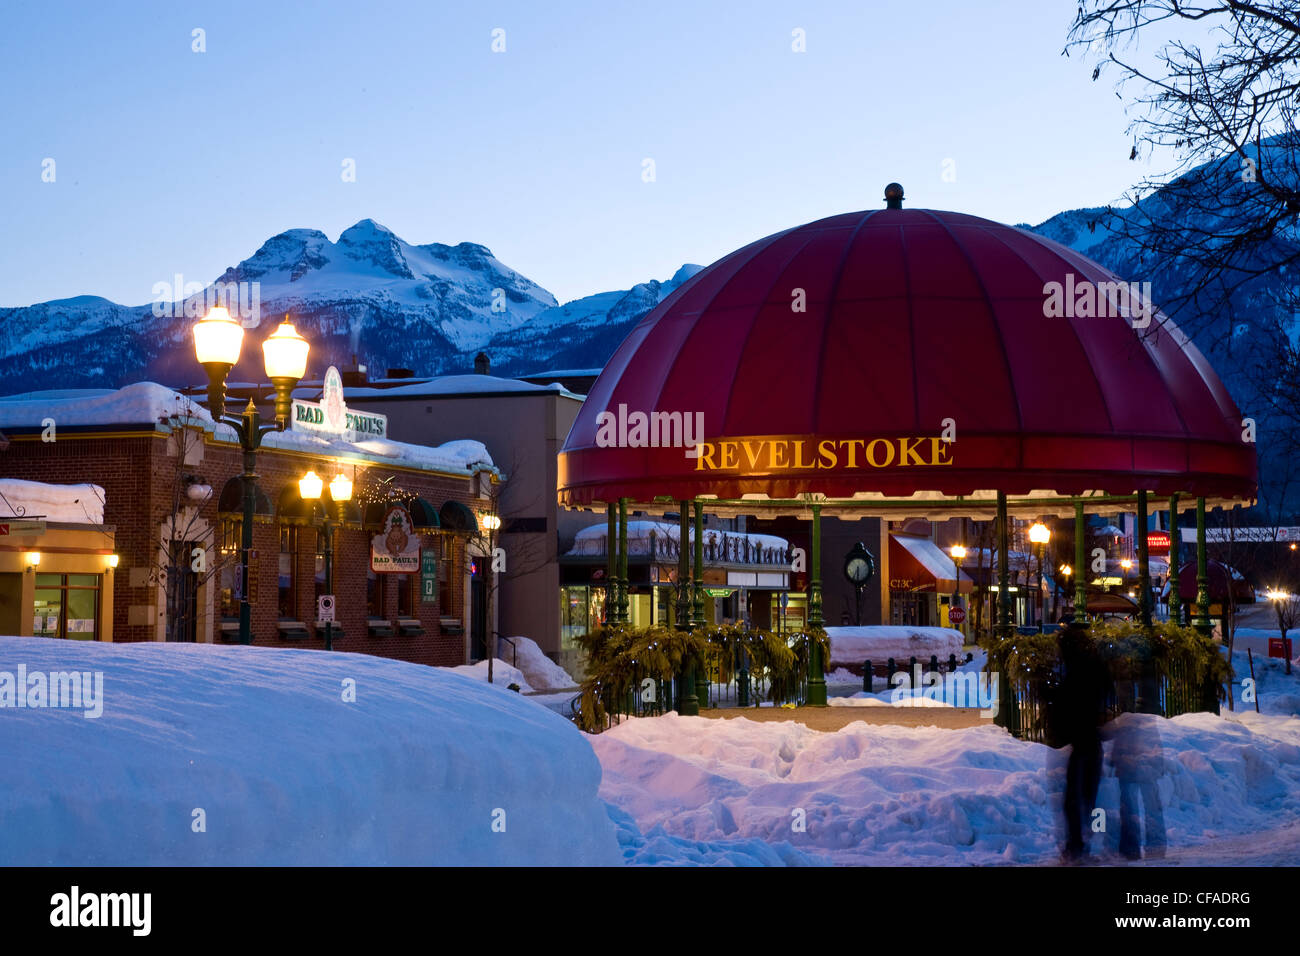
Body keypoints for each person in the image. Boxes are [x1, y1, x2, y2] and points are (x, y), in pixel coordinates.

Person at [1051, 622, 1113, 862]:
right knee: (1087, 797)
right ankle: (1088, 842)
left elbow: (1068, 704)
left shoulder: (1076, 673)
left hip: (1081, 741)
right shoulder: (1093, 667)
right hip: (1089, 741)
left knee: (1076, 799)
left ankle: (1079, 845)